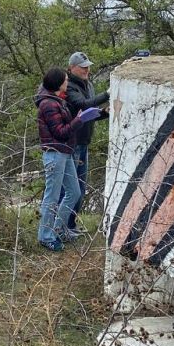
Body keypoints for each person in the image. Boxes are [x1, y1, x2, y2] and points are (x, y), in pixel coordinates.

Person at [34, 67, 103, 251]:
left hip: (64, 152)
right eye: (65, 80)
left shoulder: (57, 100)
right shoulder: (49, 104)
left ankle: (59, 229)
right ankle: (46, 236)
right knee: (52, 196)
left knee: (74, 191)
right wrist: (79, 120)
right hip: (55, 153)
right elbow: (60, 132)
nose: (67, 82)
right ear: (58, 84)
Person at [63, 51, 109, 234]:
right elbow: (83, 105)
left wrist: (104, 113)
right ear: (72, 68)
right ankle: (62, 226)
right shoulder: (69, 87)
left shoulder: (88, 84)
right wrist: (107, 94)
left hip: (84, 143)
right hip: (72, 143)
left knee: (80, 187)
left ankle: (71, 225)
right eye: (83, 67)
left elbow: (89, 113)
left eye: (88, 66)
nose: (86, 70)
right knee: (70, 189)